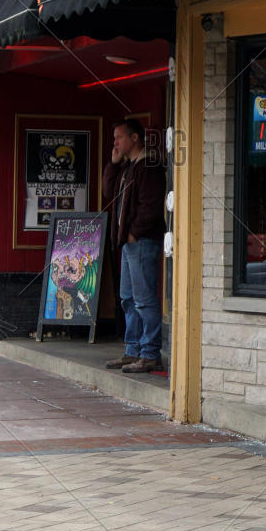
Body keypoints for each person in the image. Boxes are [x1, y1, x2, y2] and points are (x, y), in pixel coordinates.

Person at [102, 118, 166, 374]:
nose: (115, 143)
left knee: (144, 299)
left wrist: (133, 234)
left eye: (119, 137)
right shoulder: (128, 167)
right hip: (129, 244)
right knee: (128, 298)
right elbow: (108, 192)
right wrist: (113, 163)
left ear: (135, 138)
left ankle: (150, 354)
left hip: (142, 242)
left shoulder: (148, 166)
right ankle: (133, 351)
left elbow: (151, 206)